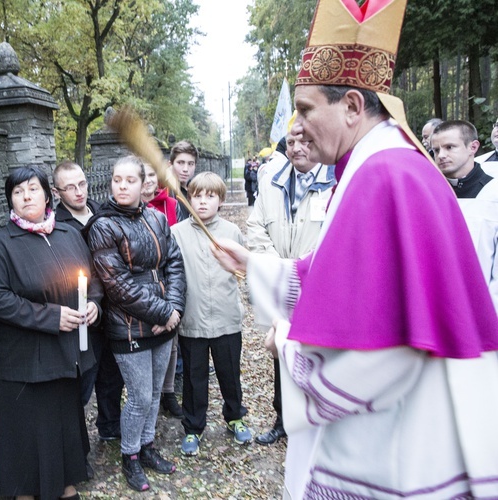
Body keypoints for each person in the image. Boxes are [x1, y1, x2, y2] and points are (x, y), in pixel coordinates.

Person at [212, 0, 498, 497]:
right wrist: (258, 267)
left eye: (305, 110)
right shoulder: (381, 164)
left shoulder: (384, 175)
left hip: (396, 444)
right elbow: (352, 285)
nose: (294, 128)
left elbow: (386, 348)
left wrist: (290, 347)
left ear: (350, 106)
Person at [0, 165, 103, 500]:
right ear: (10, 201)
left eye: (33, 188)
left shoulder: (68, 234)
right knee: (27, 451)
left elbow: (92, 281)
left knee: (63, 437)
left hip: (67, 359)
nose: (26, 196)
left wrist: (94, 305)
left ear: (48, 195)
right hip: (26, 367)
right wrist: (50, 317)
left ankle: (66, 490)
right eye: (18, 192)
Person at [84, 155, 185, 492]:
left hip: (163, 321)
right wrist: (163, 313)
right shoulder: (103, 225)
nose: (122, 186)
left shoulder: (157, 218)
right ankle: (129, 456)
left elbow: (174, 265)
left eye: (130, 180)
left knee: (155, 392)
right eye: (117, 180)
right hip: (128, 325)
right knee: (140, 395)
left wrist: (174, 308)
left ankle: (147, 446)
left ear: (144, 185)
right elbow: (117, 285)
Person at [245, 131, 335, 446]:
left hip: (320, 286)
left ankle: (317, 416)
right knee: (280, 350)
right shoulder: (272, 181)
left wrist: (307, 268)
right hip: (282, 283)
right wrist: (276, 266)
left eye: (306, 141)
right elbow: (255, 225)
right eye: (292, 142)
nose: (297, 148)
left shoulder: (335, 182)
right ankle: (282, 418)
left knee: (316, 352)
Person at [171, 172, 250, 456]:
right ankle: (193, 427)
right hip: (192, 321)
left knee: (230, 373)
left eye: (210, 196)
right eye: (197, 196)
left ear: (221, 200)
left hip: (227, 319)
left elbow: (243, 271)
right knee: (194, 378)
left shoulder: (231, 232)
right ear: (188, 199)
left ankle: (235, 416)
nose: (203, 202)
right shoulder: (177, 233)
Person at [52, 160, 126, 446]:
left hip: (112, 307)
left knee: (112, 374)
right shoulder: (57, 224)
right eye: (70, 187)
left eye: (81, 183)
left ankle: (109, 426)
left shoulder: (101, 210)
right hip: (81, 311)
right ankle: (75, 444)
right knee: (83, 380)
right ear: (57, 192)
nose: (78, 191)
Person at [430, 120, 498, 312]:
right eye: (436, 150)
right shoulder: (429, 193)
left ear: (473, 147)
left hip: (482, 310)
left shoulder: (494, 194)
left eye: (449, 147)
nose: (441, 155)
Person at [140, 162, 183, 418]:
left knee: (171, 338)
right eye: (142, 175)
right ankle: (149, 399)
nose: (147, 180)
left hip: (169, 279)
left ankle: (168, 392)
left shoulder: (171, 205)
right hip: (144, 286)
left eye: (151, 175)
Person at [169, 140, 198, 220]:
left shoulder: (197, 191)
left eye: (190, 164)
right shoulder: (165, 193)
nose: (185, 169)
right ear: (170, 164)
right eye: (180, 163)